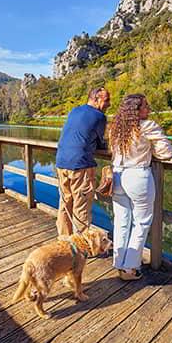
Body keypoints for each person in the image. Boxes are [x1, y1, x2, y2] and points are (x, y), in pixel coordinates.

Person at [109, 94, 172, 280]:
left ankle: (120, 263)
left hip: (117, 176)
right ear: (136, 110)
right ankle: (129, 268)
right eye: (146, 106)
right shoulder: (147, 126)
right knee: (142, 222)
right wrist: (151, 151)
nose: (149, 109)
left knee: (122, 221)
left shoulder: (116, 128)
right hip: (137, 176)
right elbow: (166, 152)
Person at [55, 87, 110, 236]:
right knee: (81, 206)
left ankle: (64, 241)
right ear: (96, 99)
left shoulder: (74, 111)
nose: (109, 104)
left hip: (61, 161)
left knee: (65, 203)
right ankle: (80, 246)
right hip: (81, 164)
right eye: (106, 100)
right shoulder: (99, 116)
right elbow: (100, 143)